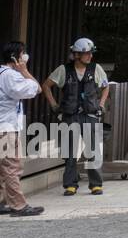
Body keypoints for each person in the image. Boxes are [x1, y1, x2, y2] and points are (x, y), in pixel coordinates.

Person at [41, 38, 109, 196]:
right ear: (77, 54)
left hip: (90, 114)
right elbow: (46, 86)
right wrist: (54, 106)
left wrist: (101, 104)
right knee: (69, 151)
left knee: (93, 151)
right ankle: (70, 184)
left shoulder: (96, 68)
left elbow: (105, 87)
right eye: (87, 54)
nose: (90, 56)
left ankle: (96, 184)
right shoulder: (64, 70)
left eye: (90, 53)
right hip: (70, 115)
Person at [0, 42, 43, 216]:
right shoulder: (10, 75)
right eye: (23, 53)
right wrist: (24, 71)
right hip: (6, 128)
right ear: (14, 57)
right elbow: (36, 88)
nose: (25, 57)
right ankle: (18, 205)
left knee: (2, 168)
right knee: (12, 166)